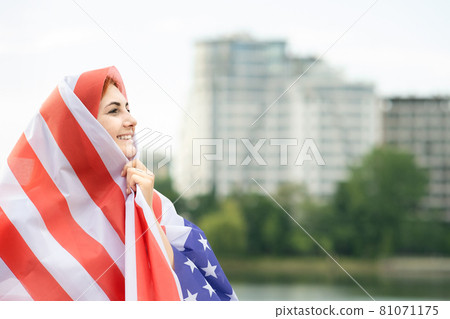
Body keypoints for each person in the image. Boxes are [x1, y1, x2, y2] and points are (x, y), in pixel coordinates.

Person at [0, 66, 237, 301]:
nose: (132, 120)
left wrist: (146, 217)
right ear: (82, 127)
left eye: (128, 108)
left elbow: (200, 293)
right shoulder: (19, 219)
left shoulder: (147, 201)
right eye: (114, 111)